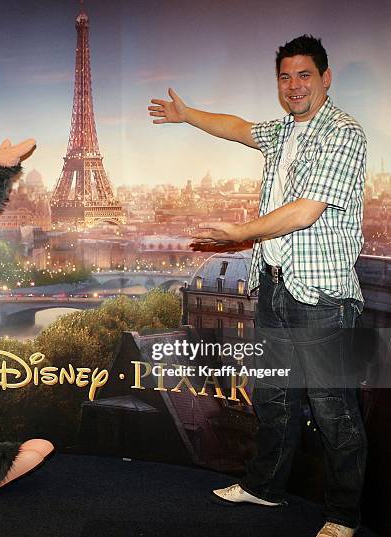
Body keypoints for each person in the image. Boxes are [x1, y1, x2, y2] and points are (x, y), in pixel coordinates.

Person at [149, 35, 367, 537]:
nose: (294, 86)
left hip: (322, 297)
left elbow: (307, 209)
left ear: (326, 78)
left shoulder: (343, 134)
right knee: (274, 397)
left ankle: (343, 514)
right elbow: (239, 128)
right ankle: (264, 487)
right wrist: (188, 115)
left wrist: (242, 233)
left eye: (304, 75)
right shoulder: (283, 132)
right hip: (274, 286)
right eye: (285, 77)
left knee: (334, 411)